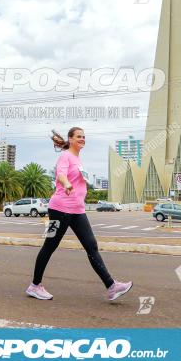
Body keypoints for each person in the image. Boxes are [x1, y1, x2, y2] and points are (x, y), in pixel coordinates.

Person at [26, 127, 133, 302]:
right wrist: (67, 183)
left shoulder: (77, 159)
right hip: (59, 209)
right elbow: (60, 174)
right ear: (71, 139)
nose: (82, 139)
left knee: (91, 246)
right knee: (49, 246)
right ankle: (35, 286)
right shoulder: (66, 156)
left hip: (77, 210)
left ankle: (112, 287)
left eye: (84, 136)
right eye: (79, 136)